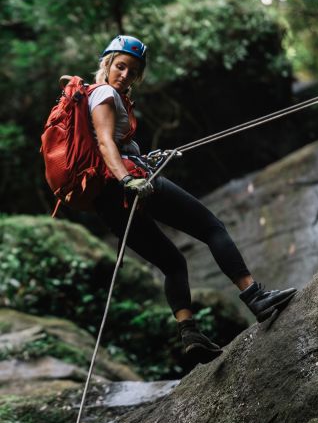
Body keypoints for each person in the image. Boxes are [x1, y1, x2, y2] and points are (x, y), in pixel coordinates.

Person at [90, 34, 297, 364]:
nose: (125, 74)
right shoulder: (103, 93)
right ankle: (255, 297)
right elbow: (104, 144)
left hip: (106, 201)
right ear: (107, 63)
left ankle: (190, 333)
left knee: (173, 263)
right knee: (212, 227)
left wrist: (148, 158)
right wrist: (129, 178)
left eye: (133, 70)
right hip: (127, 185)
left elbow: (110, 145)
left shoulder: (100, 98)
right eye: (120, 66)